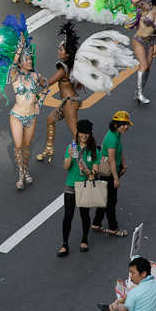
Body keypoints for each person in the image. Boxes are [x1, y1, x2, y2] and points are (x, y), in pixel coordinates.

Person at [0, 14, 49, 189]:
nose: (29, 61)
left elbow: (47, 86)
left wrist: (39, 104)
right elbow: (14, 63)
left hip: (31, 116)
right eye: (26, 59)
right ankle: (22, 174)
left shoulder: (36, 76)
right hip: (17, 116)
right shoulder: (15, 76)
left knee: (27, 146)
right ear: (20, 63)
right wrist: (20, 48)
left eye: (30, 59)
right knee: (17, 145)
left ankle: (25, 171)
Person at [37, 21, 82, 162]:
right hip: (67, 102)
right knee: (50, 120)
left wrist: (34, 77)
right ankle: (49, 149)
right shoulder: (72, 66)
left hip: (70, 103)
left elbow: (47, 83)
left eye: (61, 50)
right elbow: (79, 85)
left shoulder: (62, 68)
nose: (58, 51)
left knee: (76, 132)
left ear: (67, 55)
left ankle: (80, 159)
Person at [58, 119, 99, 257]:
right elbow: (65, 167)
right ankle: (64, 244)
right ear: (78, 133)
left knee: (84, 214)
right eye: (82, 133)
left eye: (87, 133)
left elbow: (95, 171)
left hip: (85, 186)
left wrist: (86, 171)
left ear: (90, 134)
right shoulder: (71, 147)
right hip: (71, 185)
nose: (84, 136)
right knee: (68, 215)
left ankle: (84, 240)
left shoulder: (93, 151)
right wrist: (69, 155)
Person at [91, 111, 131, 237]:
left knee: (104, 198)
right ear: (115, 125)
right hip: (108, 174)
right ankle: (113, 227)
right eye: (122, 125)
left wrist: (124, 164)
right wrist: (116, 179)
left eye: (126, 124)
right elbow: (112, 159)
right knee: (111, 201)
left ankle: (97, 223)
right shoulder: (112, 138)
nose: (125, 127)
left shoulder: (115, 134)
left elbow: (120, 151)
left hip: (112, 171)